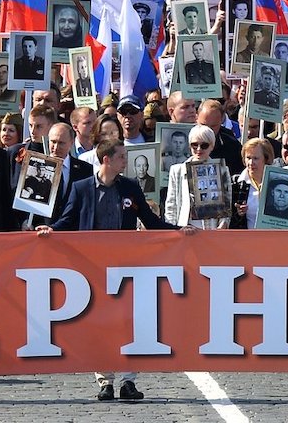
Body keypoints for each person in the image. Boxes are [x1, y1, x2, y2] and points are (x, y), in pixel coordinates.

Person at [37, 140, 191, 401]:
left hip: (126, 266)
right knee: (99, 325)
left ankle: (128, 380)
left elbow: (151, 222)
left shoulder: (130, 187)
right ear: (106, 160)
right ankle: (105, 381)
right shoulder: (82, 188)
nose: (125, 161)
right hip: (92, 267)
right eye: (121, 157)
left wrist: (178, 231)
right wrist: (52, 230)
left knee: (130, 322)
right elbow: (69, 219)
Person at [163, 125, 227, 228]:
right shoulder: (177, 170)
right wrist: (173, 230)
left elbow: (226, 202)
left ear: (212, 146)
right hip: (185, 229)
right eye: (194, 145)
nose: (199, 149)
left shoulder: (222, 169)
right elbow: (171, 204)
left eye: (204, 145)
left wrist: (222, 226)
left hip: (211, 230)